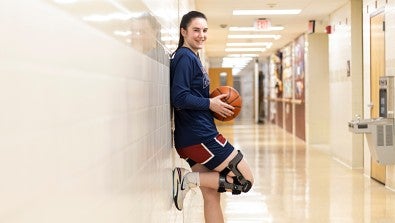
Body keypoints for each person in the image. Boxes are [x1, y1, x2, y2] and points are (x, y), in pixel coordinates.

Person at [170, 11, 254, 223]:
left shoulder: (193, 57)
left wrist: (212, 103)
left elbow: (191, 95)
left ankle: (191, 180)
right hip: (199, 136)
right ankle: (187, 179)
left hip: (194, 135)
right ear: (183, 31)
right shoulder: (184, 57)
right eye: (196, 30)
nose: (201, 35)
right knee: (244, 180)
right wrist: (210, 103)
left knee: (211, 194)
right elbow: (179, 97)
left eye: (204, 30)